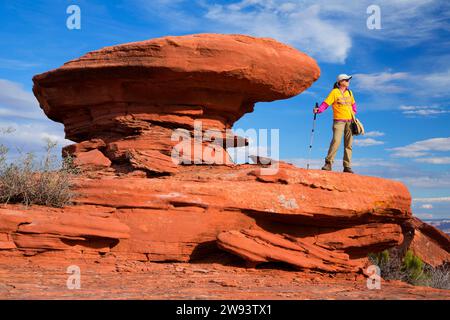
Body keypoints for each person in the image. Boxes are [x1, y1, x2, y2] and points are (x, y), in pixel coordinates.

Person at [313, 74, 358, 173]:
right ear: (340, 82)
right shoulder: (334, 92)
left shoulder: (350, 92)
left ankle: (347, 166)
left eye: (348, 80)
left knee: (349, 144)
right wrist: (319, 110)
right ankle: (328, 163)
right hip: (339, 121)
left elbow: (353, 104)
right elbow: (326, 103)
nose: (348, 81)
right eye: (346, 80)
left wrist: (354, 112)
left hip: (350, 122)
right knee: (336, 141)